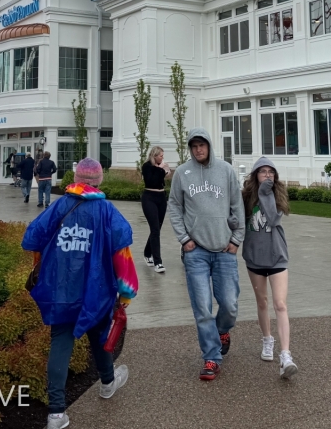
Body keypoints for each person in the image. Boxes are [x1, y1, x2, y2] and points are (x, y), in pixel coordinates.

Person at [21, 158, 137, 429]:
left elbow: (34, 237)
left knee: (60, 341)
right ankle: (107, 382)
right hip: (96, 290)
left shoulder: (60, 205)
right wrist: (127, 291)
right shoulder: (107, 211)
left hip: (60, 288)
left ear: (75, 179)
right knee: (99, 333)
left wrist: (42, 266)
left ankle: (56, 413)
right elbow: (122, 254)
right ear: (99, 180)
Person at [167, 128, 244, 381]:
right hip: (196, 252)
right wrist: (184, 239)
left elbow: (237, 205)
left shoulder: (226, 171)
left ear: (209, 145)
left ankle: (222, 331)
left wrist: (236, 239)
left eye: (202, 145)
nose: (198, 149)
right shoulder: (182, 173)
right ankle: (211, 357)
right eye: (194, 146)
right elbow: (174, 206)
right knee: (202, 309)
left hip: (224, 250)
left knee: (230, 305)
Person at [242, 156, 297, 379]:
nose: (267, 175)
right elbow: (237, 220)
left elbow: (273, 219)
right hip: (255, 257)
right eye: (263, 171)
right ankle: (267, 339)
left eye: (271, 171)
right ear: (255, 175)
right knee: (262, 302)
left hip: (277, 256)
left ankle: (285, 356)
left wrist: (266, 193)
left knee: (280, 304)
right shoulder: (246, 197)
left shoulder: (277, 194)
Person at [140, 145, 171, 274]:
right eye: (160, 156)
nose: (162, 158)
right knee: (155, 229)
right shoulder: (147, 166)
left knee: (157, 228)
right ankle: (158, 262)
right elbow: (152, 180)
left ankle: (147, 253)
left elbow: (165, 177)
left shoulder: (160, 167)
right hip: (149, 198)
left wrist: (165, 171)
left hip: (161, 197)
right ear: (154, 156)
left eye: (163, 156)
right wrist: (162, 170)